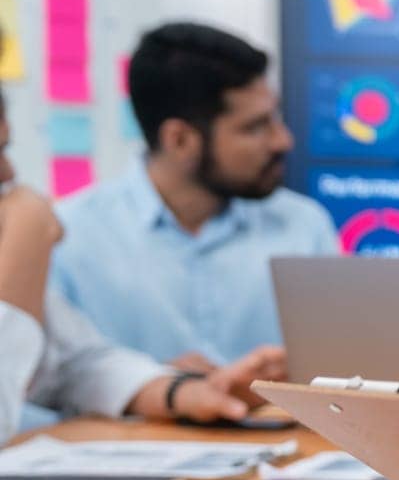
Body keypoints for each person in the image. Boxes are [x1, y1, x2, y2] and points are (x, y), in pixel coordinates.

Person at [0, 88, 285, 443]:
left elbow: (77, 363)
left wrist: (184, 394)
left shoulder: (300, 219)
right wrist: (24, 244)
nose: (9, 173)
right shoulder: (49, 227)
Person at [50, 22, 337, 371]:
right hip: (122, 427)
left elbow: (341, 377)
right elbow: (45, 391)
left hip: (282, 426)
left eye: (275, 119)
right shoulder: (67, 238)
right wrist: (153, 391)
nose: (282, 141)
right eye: (255, 127)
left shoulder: (305, 226)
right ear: (180, 140)